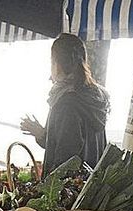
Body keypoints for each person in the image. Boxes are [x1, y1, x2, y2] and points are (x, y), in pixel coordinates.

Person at [21, 33, 110, 178]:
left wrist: (46, 191)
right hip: (89, 189)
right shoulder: (95, 96)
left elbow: (65, 161)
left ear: (58, 65)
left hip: (70, 194)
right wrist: (43, 135)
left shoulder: (67, 103)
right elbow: (72, 145)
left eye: (52, 62)